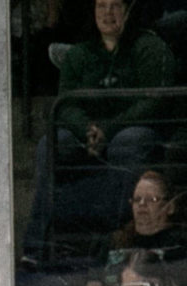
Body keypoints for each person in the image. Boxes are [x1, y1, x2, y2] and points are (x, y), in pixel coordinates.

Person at [21, 0, 176, 266]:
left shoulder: (149, 47)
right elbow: (67, 102)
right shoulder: (79, 54)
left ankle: (111, 241)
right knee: (51, 144)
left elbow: (153, 100)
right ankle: (36, 246)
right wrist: (86, 129)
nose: (107, 13)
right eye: (101, 6)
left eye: (115, 6)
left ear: (128, 11)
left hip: (130, 130)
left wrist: (109, 129)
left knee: (128, 142)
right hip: (89, 132)